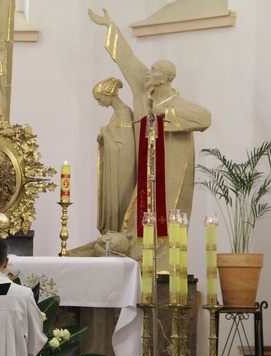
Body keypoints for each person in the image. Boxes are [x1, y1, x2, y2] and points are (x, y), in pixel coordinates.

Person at [89, 8, 211, 267]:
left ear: (166, 77)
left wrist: (167, 119)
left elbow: (204, 118)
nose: (149, 73)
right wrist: (110, 27)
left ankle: (162, 262)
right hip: (142, 168)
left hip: (172, 169)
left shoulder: (178, 103)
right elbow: (128, 59)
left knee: (169, 213)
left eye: (154, 70)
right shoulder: (142, 92)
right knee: (135, 214)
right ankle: (136, 254)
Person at [94, 77, 135, 235]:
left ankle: (117, 237)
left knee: (119, 206)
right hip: (116, 170)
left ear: (108, 93)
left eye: (99, 98)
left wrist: (105, 134)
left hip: (122, 173)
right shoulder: (118, 114)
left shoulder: (124, 113)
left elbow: (125, 148)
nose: (99, 103)